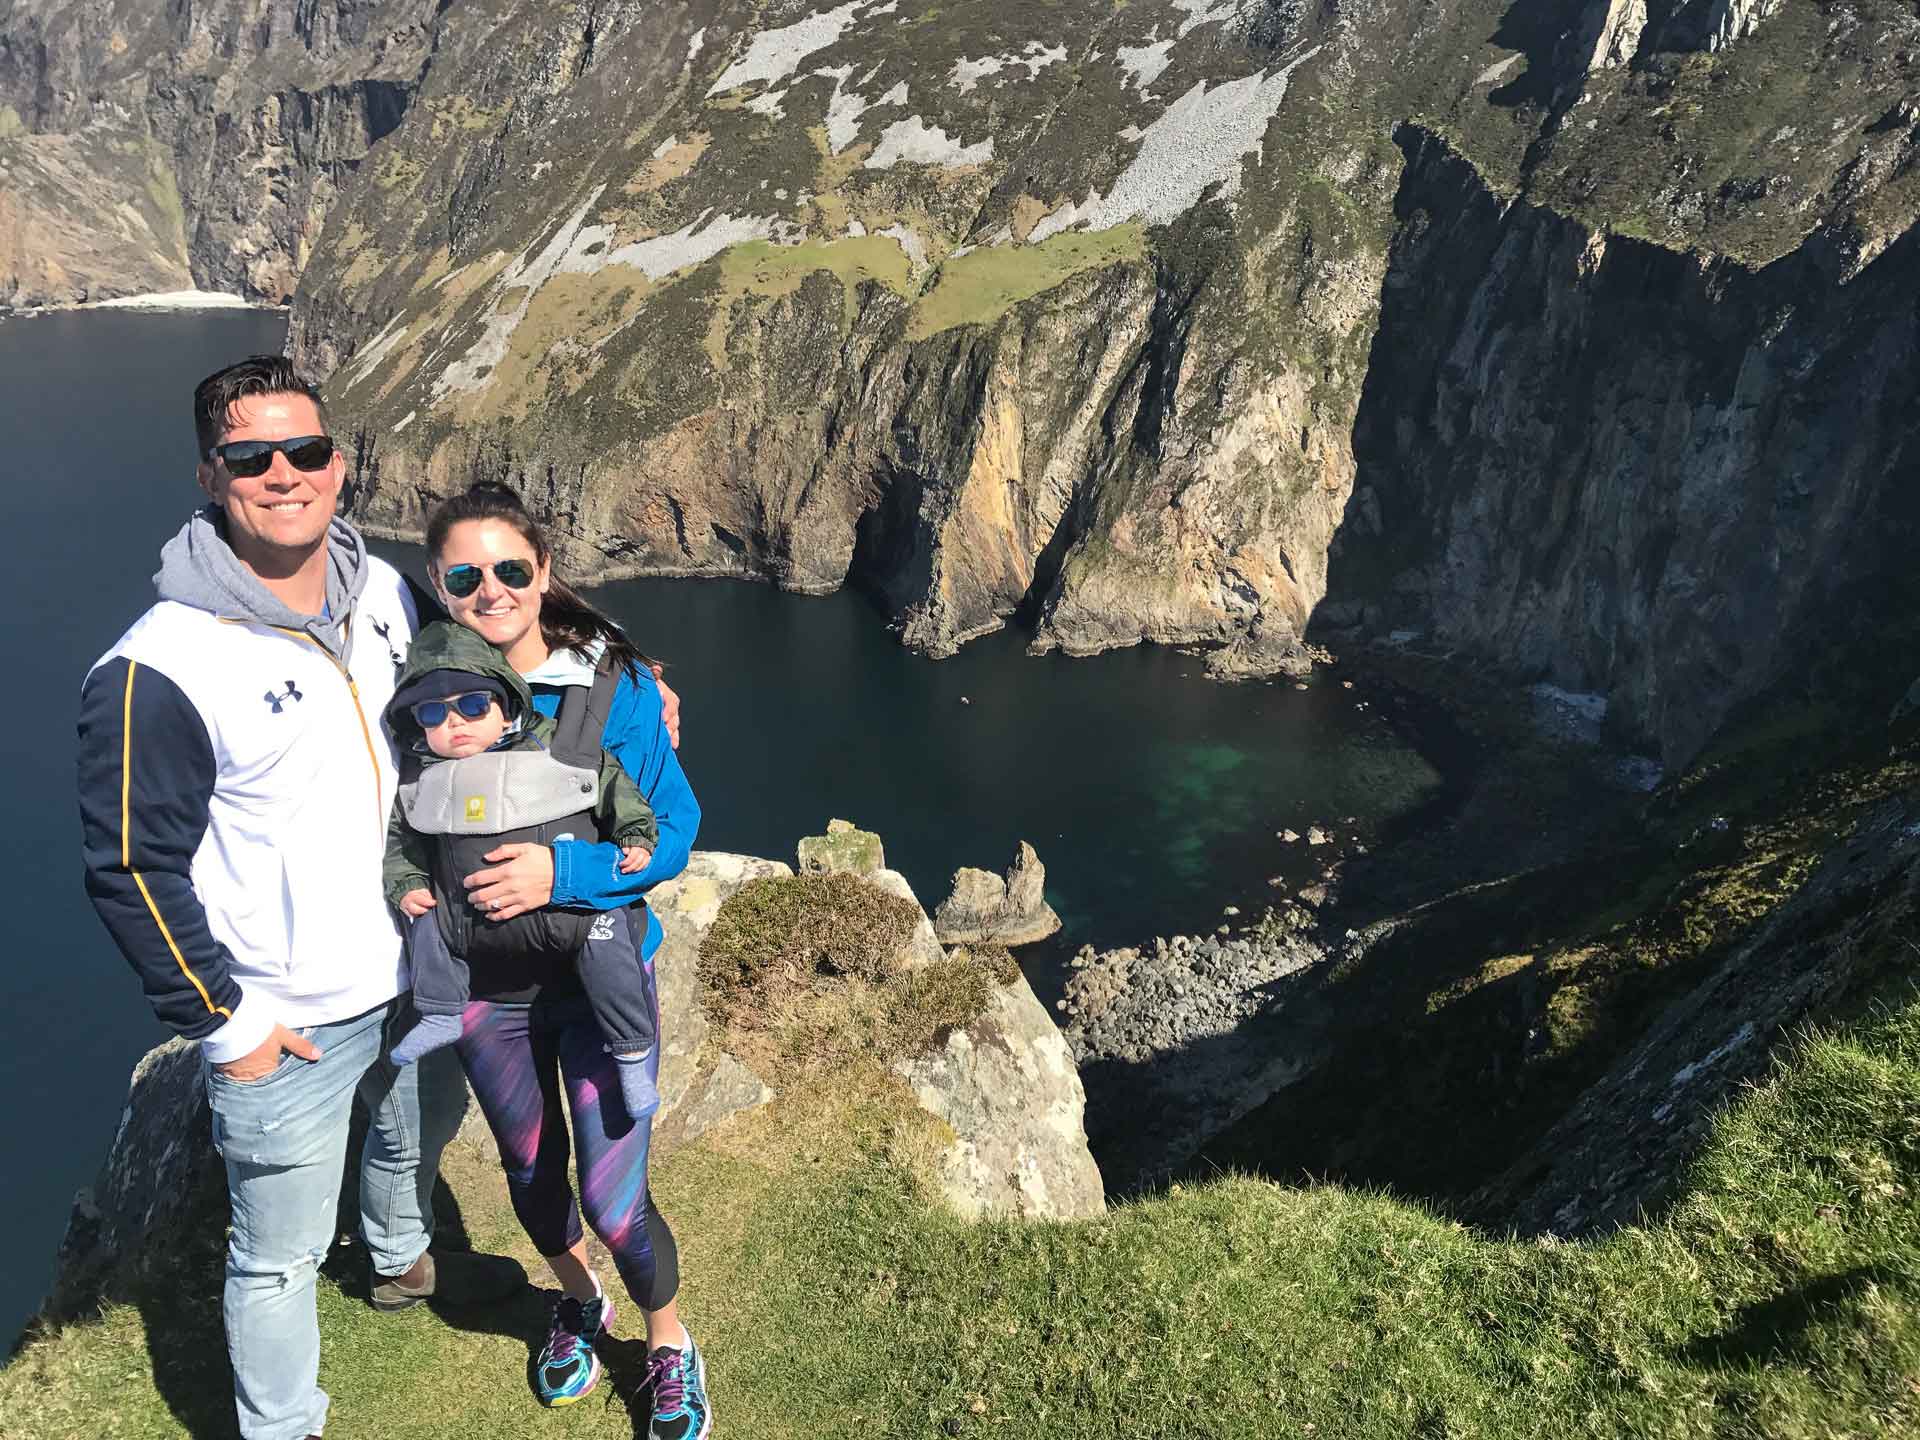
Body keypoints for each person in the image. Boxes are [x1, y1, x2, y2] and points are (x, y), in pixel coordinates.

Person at [75, 357, 531, 1440]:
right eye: (252, 455)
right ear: (209, 472)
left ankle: (400, 1266)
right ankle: (284, 1426)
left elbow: (493, 654)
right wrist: (228, 1025)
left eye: (309, 450)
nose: (286, 474)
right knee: (273, 1256)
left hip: (411, 968)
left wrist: (630, 675)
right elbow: (130, 867)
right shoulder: (161, 666)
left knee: (403, 1139)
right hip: (289, 1018)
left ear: (339, 462)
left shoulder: (376, 588)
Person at [422, 481, 710, 1436]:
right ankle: (580, 1299)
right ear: (439, 584)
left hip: (596, 976)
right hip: (484, 989)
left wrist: (564, 871)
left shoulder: (615, 686)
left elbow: (672, 830)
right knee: (530, 1172)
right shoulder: (417, 689)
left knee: (613, 1196)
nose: (492, 589)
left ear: (544, 573)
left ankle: (668, 1343)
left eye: (512, 569)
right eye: (468, 575)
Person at [382, 619, 664, 1124]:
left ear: (505, 704)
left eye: (472, 706)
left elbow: (608, 780)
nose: (456, 724)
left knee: (610, 937)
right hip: (468, 924)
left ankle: (631, 1054)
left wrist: (636, 833)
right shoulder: (419, 779)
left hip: (570, 915)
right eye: (432, 713)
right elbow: (402, 843)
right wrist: (406, 885)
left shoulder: (549, 743)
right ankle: (440, 1009)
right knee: (422, 920)